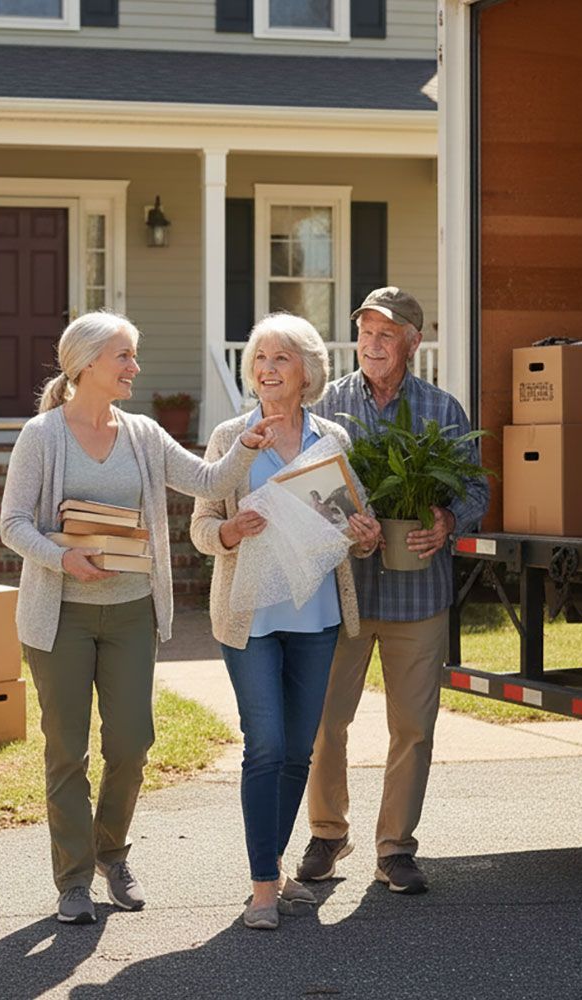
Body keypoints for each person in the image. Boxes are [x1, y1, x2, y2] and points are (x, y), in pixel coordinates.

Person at [0, 311, 283, 925]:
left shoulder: (144, 435)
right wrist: (62, 558)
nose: (135, 367)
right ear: (87, 364)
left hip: (130, 613)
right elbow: (13, 524)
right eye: (124, 356)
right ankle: (74, 881)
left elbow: (206, 478)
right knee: (66, 751)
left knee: (131, 744)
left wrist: (248, 444)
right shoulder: (42, 435)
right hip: (61, 617)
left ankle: (110, 850)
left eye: (133, 355)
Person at [190, 313, 381, 930]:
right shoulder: (229, 438)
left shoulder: (333, 438)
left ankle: (272, 866)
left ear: (307, 374)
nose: (266, 369)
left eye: (281, 359)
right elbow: (200, 529)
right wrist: (228, 530)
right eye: (259, 359)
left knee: (299, 749)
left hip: (318, 614)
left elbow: (352, 528)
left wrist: (366, 535)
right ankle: (265, 886)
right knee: (265, 744)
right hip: (250, 618)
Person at [299, 286, 489, 895]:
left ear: (412, 341)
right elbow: (302, 487)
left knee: (413, 726)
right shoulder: (326, 404)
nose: (372, 344)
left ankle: (395, 848)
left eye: (386, 334)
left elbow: (477, 490)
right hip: (344, 591)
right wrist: (344, 523)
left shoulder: (441, 408)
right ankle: (328, 834)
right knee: (326, 723)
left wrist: (448, 520)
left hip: (418, 594)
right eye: (366, 332)